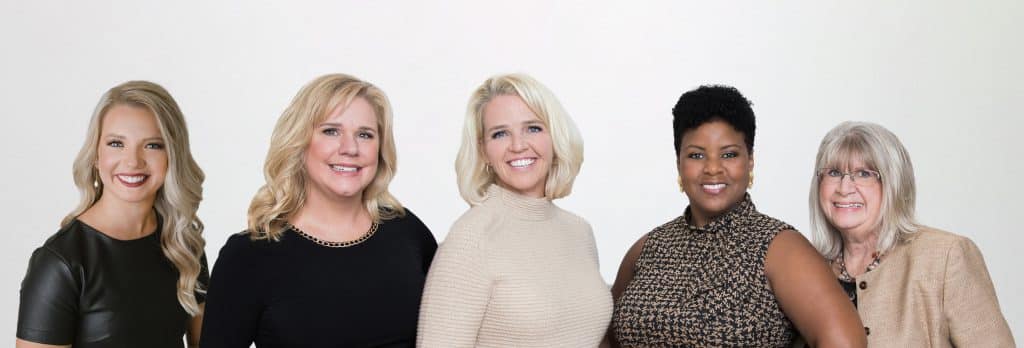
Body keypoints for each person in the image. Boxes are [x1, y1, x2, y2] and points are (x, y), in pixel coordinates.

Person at [608, 85, 866, 347]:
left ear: (750, 161)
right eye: (696, 155)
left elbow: (846, 342)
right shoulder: (648, 248)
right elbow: (608, 340)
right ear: (678, 163)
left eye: (729, 154)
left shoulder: (781, 248)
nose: (712, 168)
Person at [200, 73, 436, 347]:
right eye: (331, 131)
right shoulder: (249, 256)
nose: (350, 148)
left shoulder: (407, 233)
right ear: (299, 143)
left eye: (365, 134)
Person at [417, 73, 611, 347]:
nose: (518, 145)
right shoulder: (472, 238)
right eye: (500, 134)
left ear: (554, 136)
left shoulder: (579, 231)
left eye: (533, 128)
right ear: (483, 150)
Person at [16, 81, 209, 348]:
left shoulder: (184, 247)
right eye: (116, 143)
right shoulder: (60, 262)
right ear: (96, 155)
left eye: (152, 145)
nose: (132, 161)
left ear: (172, 156)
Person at [808, 121, 1014, 346]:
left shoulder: (946, 257)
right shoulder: (809, 269)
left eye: (864, 173)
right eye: (834, 173)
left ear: (895, 183)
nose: (844, 187)